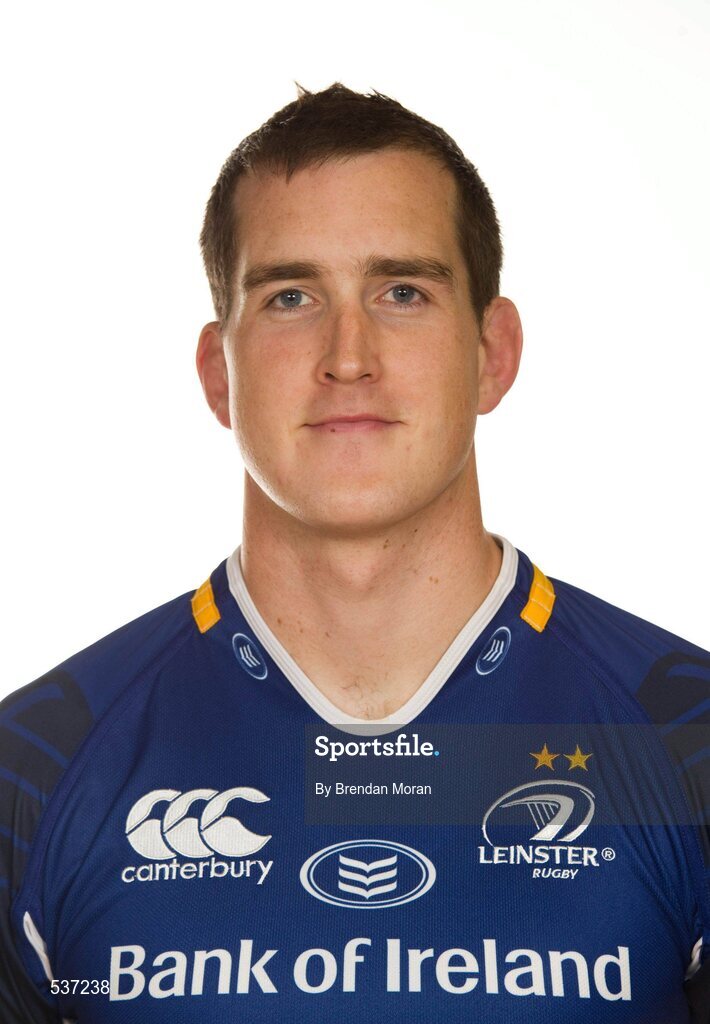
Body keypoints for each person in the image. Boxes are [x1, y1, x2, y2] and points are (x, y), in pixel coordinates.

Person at [1, 82, 708, 1024]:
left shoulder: (687, 742)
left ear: (494, 352)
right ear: (218, 372)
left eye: (402, 292)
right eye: (290, 297)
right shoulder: (34, 770)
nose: (348, 355)